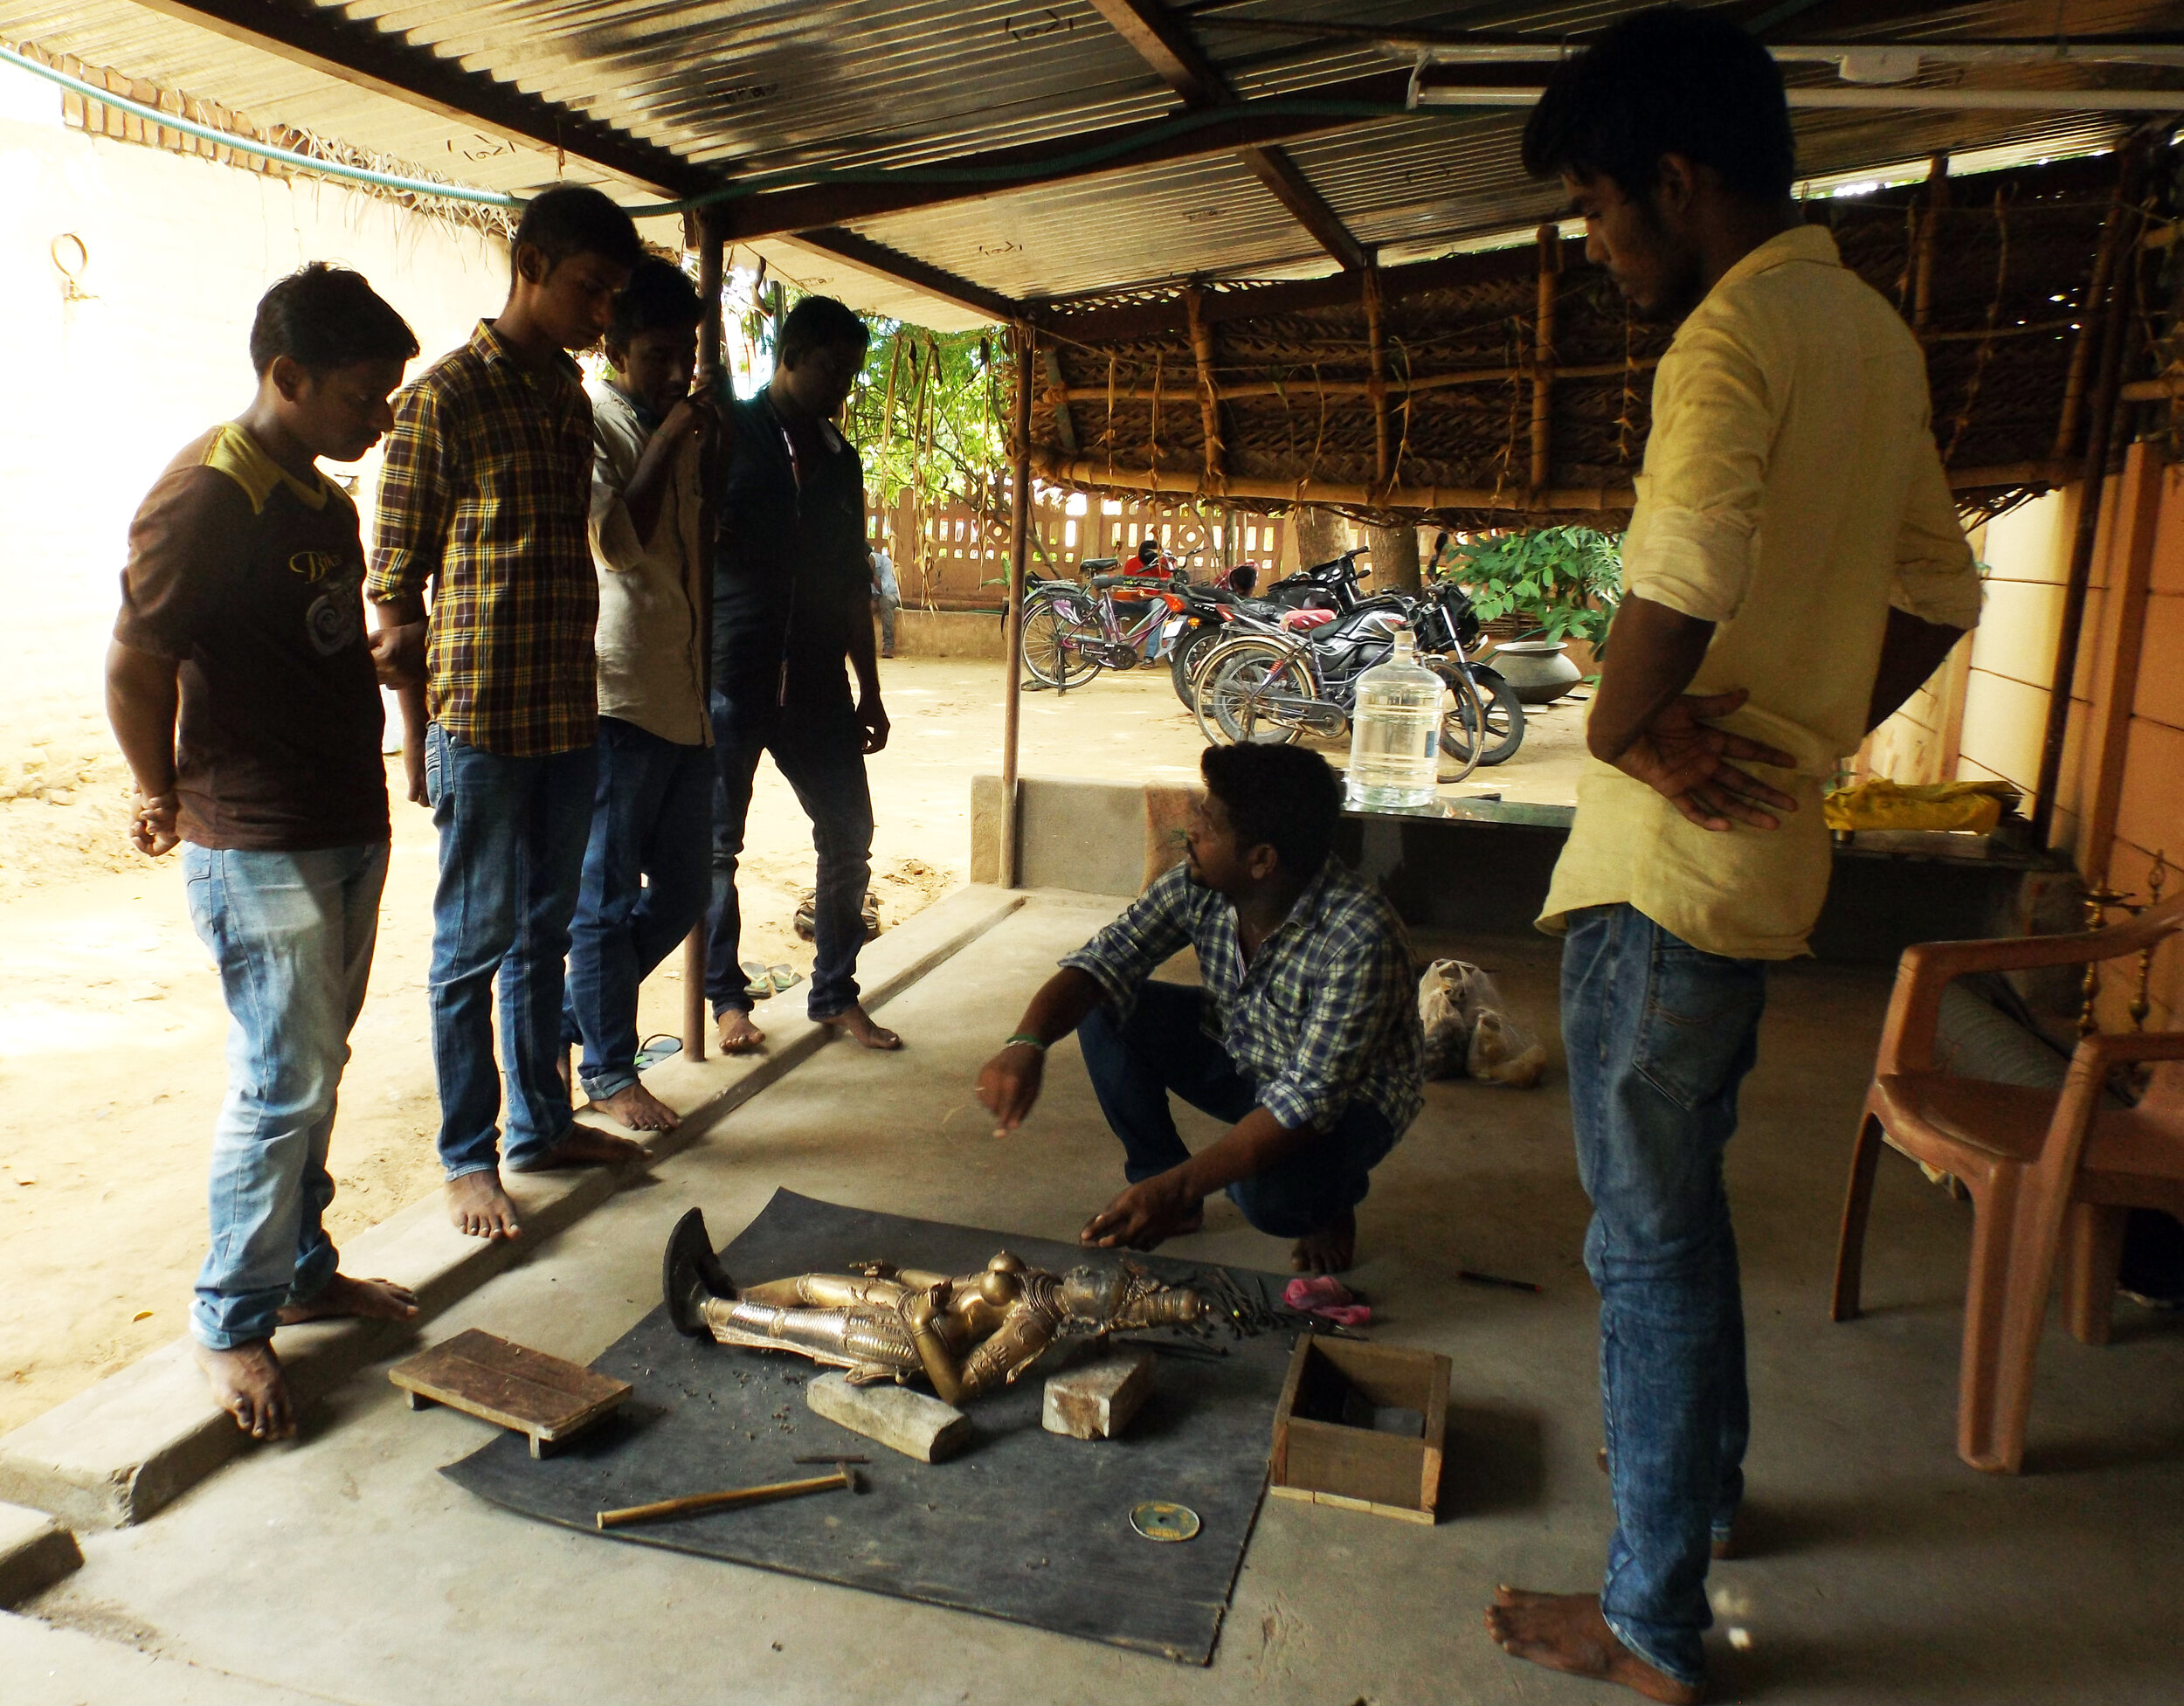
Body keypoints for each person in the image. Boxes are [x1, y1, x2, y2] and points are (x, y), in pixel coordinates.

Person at [1482, 12, 1981, 1702]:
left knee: (1645, 1241)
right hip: (1759, 869)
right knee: (1680, 1218)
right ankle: (1703, 1506)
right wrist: (1808, 735)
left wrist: (1638, 726)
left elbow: (1676, 573)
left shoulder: (1730, 339)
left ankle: (1649, 1621)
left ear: (1677, 184)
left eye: (1603, 210)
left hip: (1666, 876)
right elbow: (1941, 589)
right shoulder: (1866, 331)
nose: (1602, 246)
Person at [105, 264, 425, 1440]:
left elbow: (313, 641)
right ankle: (232, 1322)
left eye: (388, 393)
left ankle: (301, 1269)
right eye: (360, 394)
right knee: (281, 1078)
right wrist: (158, 792)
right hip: (253, 835)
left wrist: (380, 662)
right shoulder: (206, 496)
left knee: (315, 1067)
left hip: (341, 821)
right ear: (285, 378)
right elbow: (136, 666)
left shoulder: (320, 499)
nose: (379, 417)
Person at [368, 184, 648, 1242]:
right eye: (589, 289)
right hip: (478, 724)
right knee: (470, 946)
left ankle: (539, 1128)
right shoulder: (442, 400)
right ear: (529, 263)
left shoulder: (572, 401)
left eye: (613, 297)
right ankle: (467, 1159)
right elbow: (393, 586)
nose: (601, 317)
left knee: (546, 937)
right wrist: (413, 735)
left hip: (568, 718)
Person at [976, 743, 1423, 1274]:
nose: (1190, 832)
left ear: (1261, 859)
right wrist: (1026, 1043)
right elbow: (1104, 960)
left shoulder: (1360, 938)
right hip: (1249, 1052)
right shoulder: (1200, 885)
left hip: (1350, 1103)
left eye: (1208, 825)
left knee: (1268, 1195)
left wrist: (1186, 1181)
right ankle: (1164, 1184)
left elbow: (1306, 1103)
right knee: (1104, 1006)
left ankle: (1327, 1200)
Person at [704, 295, 898, 1055]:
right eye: (831, 369)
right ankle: (725, 1000)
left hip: (818, 679)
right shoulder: (730, 433)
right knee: (718, 846)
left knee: (851, 831)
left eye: (851, 374)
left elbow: (853, 582)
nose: (841, 389)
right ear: (789, 355)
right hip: (733, 671)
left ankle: (834, 992)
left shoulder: (840, 459)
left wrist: (870, 688)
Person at [560, 256, 715, 1134]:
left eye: (684, 353)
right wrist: (668, 438)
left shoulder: (679, 425)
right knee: (605, 898)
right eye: (657, 354)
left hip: (683, 693)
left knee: (687, 888)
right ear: (615, 350)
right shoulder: (597, 422)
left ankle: (566, 1019)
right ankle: (610, 1071)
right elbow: (618, 544)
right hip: (617, 697)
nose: (675, 370)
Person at [870, 542, 900, 659]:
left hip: (889, 596)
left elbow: (886, 590)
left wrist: (870, 574)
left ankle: (888, 646)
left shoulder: (885, 563)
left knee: (885, 602)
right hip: (872, 596)